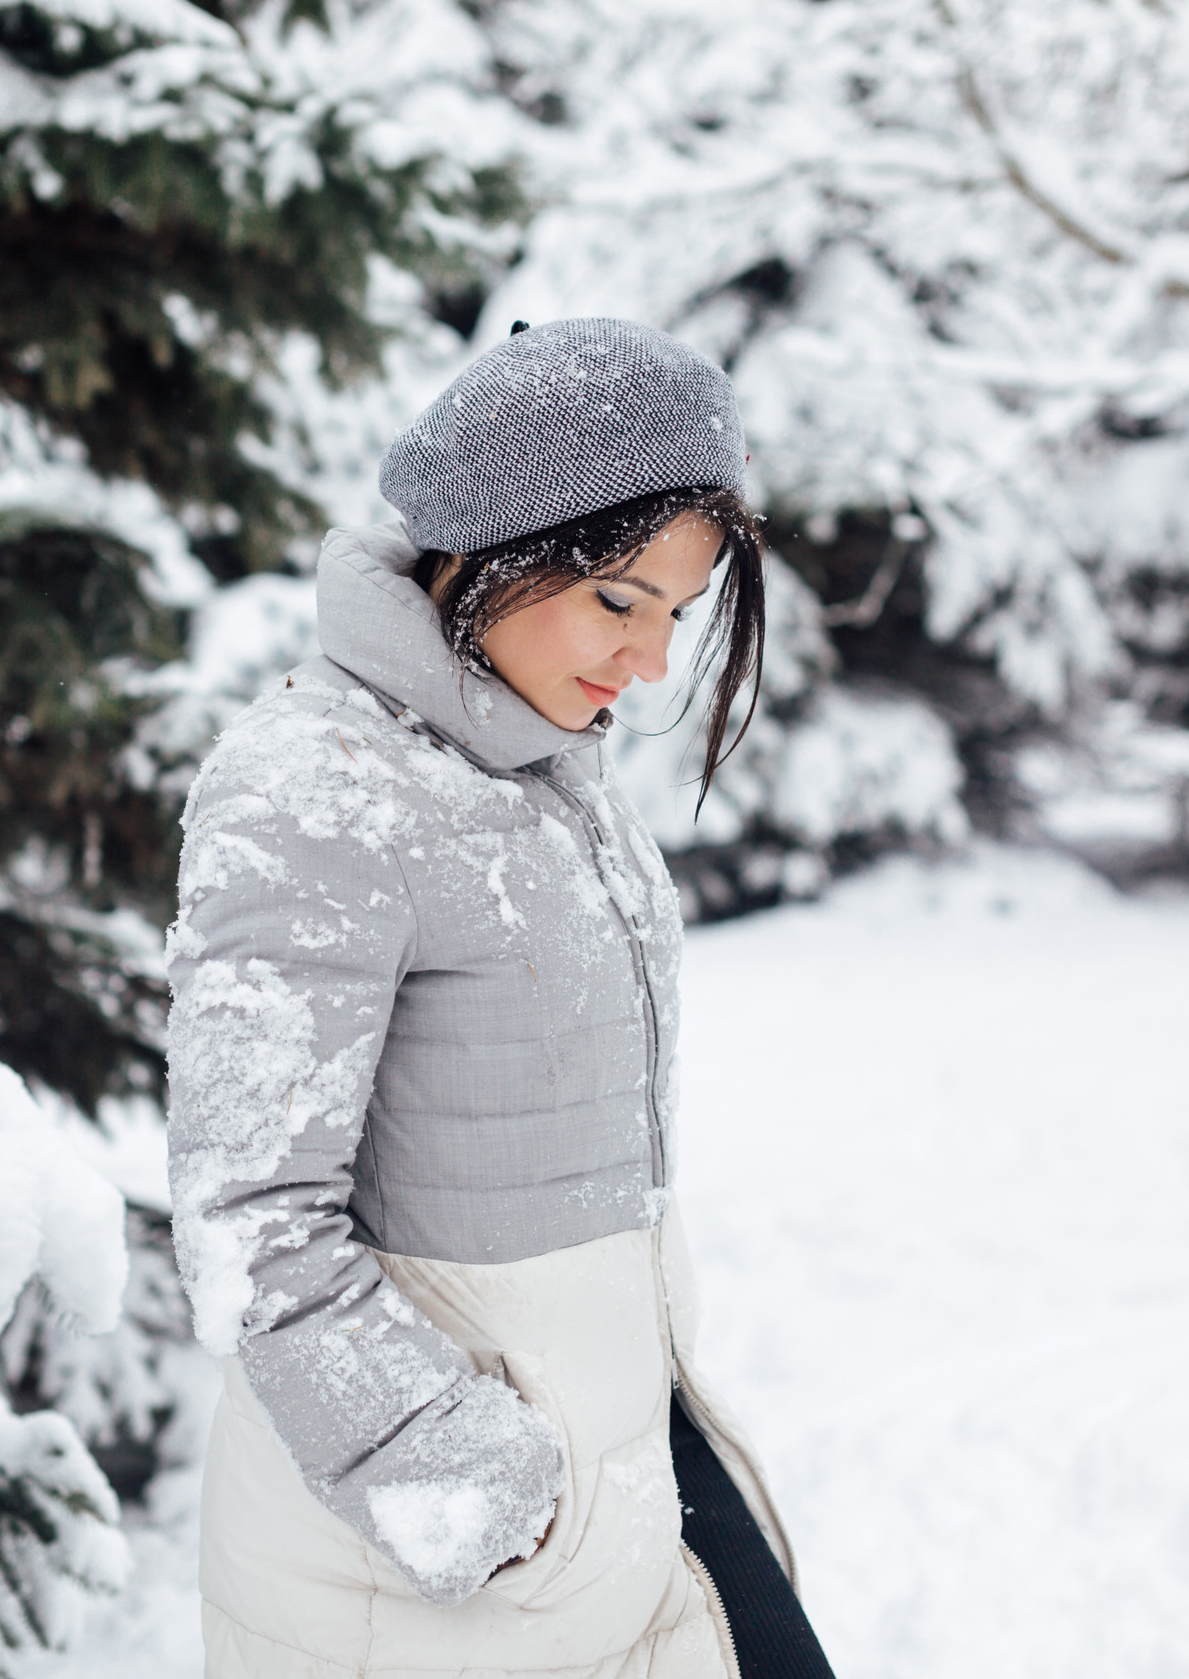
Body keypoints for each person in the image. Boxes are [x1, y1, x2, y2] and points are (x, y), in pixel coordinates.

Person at [165, 318, 836, 1677]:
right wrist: (474, 1486)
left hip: (618, 1472)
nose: (647, 664)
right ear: (488, 540)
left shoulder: (542, 776)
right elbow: (249, 1225)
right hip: (437, 1570)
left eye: (675, 615)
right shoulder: (319, 787)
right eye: (615, 599)